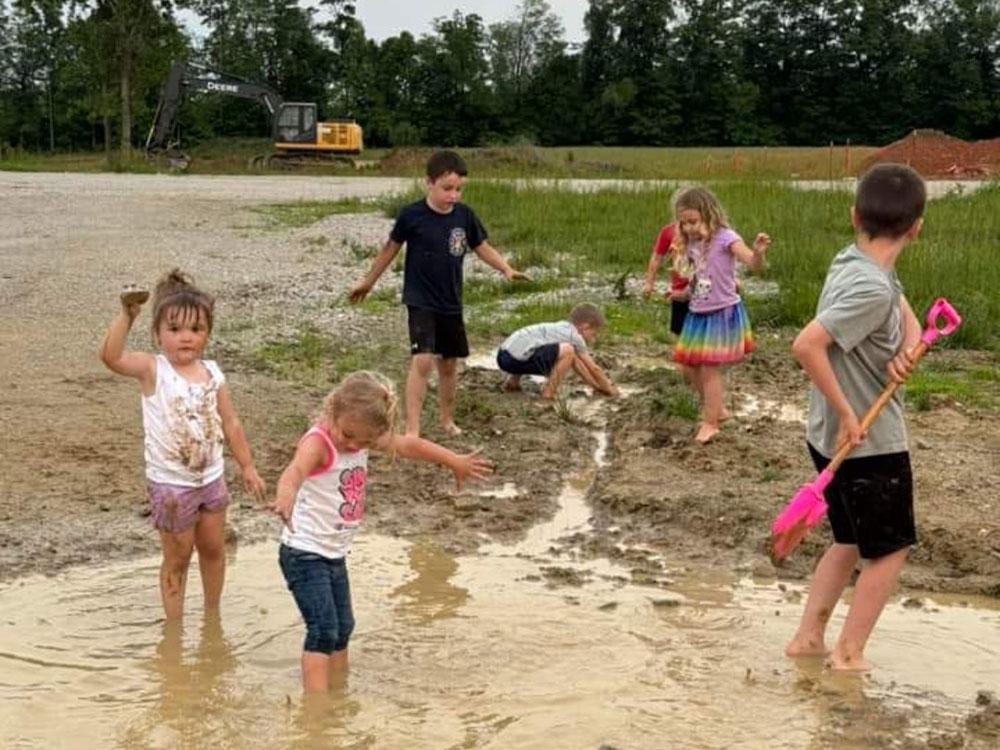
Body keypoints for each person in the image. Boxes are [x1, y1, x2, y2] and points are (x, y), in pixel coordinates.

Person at [269, 370, 492, 692]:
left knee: (344, 627)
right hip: (303, 553)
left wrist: (453, 461)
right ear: (333, 410)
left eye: (366, 442)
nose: (354, 445)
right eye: (348, 435)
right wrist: (285, 497)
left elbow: (409, 446)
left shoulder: (361, 434)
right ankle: (315, 713)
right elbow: (294, 471)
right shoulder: (319, 442)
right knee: (322, 630)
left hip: (333, 553)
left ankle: (338, 693)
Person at [784, 164, 925, 672]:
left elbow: (899, 303)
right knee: (888, 551)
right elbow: (807, 345)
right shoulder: (872, 288)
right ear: (917, 226)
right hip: (867, 442)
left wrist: (908, 346)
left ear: (854, 218)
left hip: (828, 438)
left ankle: (808, 639)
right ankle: (848, 655)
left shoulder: (854, 264)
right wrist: (848, 412)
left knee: (847, 539)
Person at [98, 269, 265, 619]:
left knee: (214, 549)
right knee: (177, 558)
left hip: (211, 478)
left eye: (196, 329)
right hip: (172, 486)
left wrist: (247, 466)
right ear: (158, 334)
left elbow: (230, 422)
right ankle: (173, 631)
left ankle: (212, 617)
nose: (185, 338)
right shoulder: (153, 369)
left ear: (207, 333)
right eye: (174, 330)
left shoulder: (213, 373)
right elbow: (111, 358)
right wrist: (126, 316)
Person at [349, 150, 527, 437]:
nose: (453, 195)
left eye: (458, 189)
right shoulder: (412, 215)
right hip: (420, 299)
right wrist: (368, 282)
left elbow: (482, 247)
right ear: (428, 184)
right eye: (447, 188)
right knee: (422, 359)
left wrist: (505, 269)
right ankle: (413, 428)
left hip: (451, 301)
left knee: (448, 364)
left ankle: (446, 420)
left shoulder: (465, 216)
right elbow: (389, 250)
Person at [670, 187, 770, 443]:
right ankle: (718, 410)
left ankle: (710, 422)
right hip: (697, 313)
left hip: (721, 313)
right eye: (684, 223)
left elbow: (752, 264)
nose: (689, 228)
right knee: (685, 364)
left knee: (708, 369)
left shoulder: (726, 238)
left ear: (709, 214)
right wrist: (682, 295)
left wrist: (758, 253)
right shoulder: (691, 243)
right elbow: (699, 278)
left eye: (693, 221)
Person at [496, 303, 619, 400]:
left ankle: (512, 382)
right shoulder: (575, 337)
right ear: (585, 327)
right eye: (594, 334)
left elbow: (578, 365)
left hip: (502, 356)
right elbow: (594, 368)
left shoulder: (560, 328)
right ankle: (549, 392)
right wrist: (609, 389)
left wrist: (596, 387)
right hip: (514, 360)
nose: (594, 338)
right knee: (567, 350)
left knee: (533, 346)